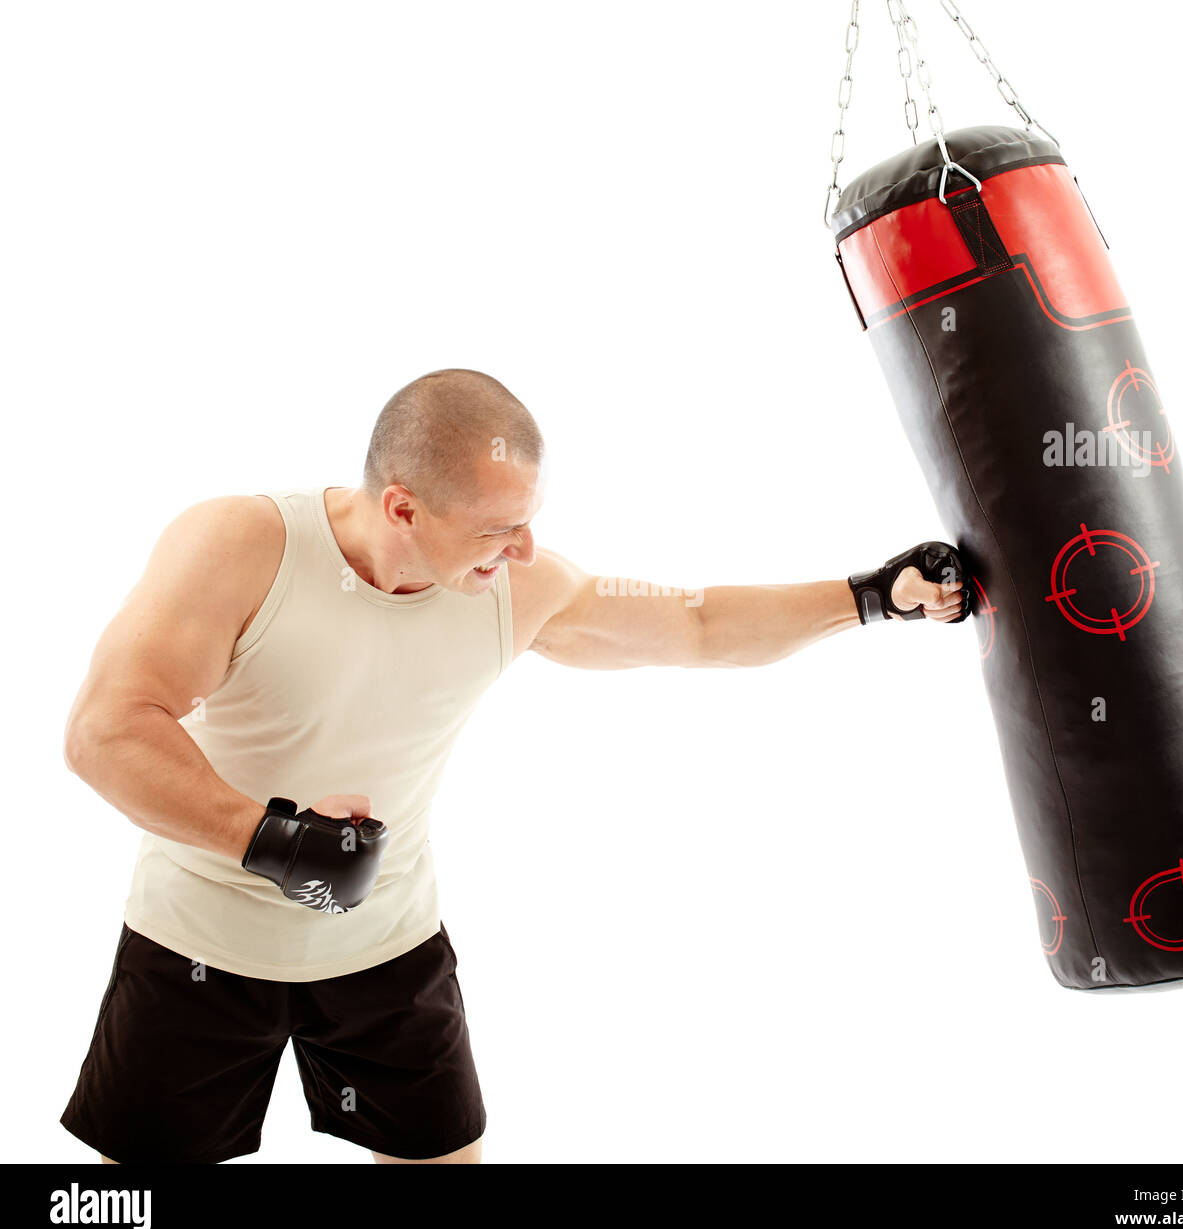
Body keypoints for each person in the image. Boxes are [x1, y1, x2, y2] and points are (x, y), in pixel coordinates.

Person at [60, 367, 968, 1165]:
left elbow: (695, 621)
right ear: (403, 507)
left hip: (385, 948)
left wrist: (872, 598)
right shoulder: (241, 546)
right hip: (199, 949)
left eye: (531, 522)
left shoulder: (512, 588)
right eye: (501, 527)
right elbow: (106, 730)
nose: (526, 549)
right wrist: (274, 839)